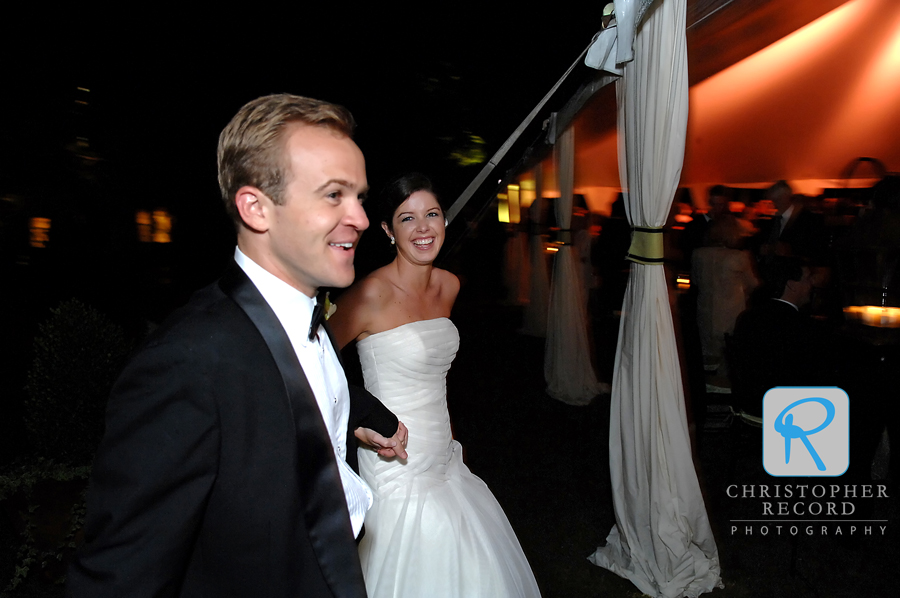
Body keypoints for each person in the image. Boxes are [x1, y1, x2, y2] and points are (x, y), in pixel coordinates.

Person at [67, 94, 408, 598]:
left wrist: (360, 413)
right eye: (334, 195)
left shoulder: (299, 322)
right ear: (256, 208)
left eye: (359, 195)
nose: (359, 217)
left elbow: (299, 390)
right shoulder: (187, 363)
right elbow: (120, 578)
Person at [330, 173, 541, 598]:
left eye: (432, 214)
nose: (423, 228)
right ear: (388, 231)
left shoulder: (449, 285)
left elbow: (433, 375)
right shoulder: (371, 293)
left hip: (444, 455)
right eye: (408, 219)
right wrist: (357, 420)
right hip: (394, 459)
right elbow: (313, 360)